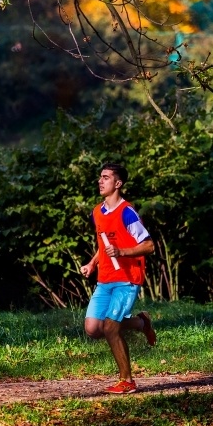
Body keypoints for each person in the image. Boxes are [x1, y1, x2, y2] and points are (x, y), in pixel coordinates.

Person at [80, 162, 157, 394]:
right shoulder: (97, 212)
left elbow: (149, 245)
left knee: (111, 328)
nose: (100, 181)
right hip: (105, 278)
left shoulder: (127, 212)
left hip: (127, 279)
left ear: (118, 183)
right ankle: (141, 322)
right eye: (100, 177)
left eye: (105, 177)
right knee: (93, 328)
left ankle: (127, 381)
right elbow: (104, 244)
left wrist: (122, 252)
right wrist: (93, 263)